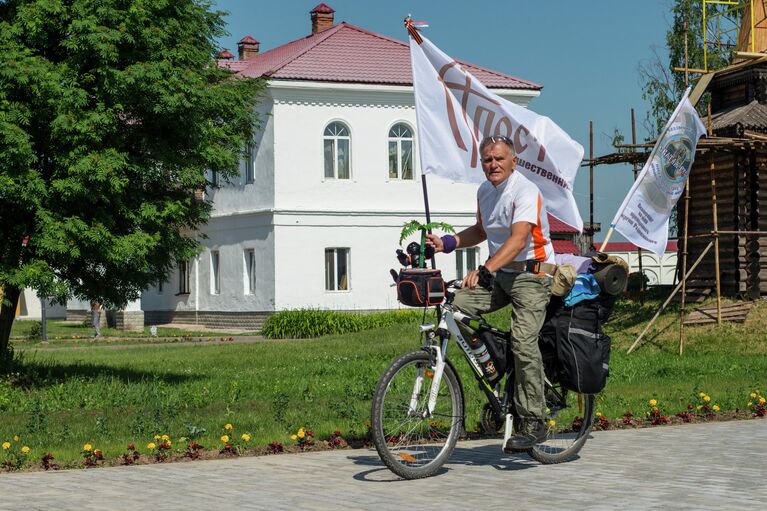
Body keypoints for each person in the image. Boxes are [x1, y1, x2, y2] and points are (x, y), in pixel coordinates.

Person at [426, 135, 556, 452]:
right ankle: (497, 364)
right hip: (501, 275)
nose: (493, 164)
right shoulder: (485, 191)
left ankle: (534, 421)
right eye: (487, 159)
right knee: (456, 305)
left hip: (532, 275)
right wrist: (448, 243)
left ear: (514, 162)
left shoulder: (525, 190)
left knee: (523, 340)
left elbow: (517, 238)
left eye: (499, 158)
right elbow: (482, 230)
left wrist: (486, 269)